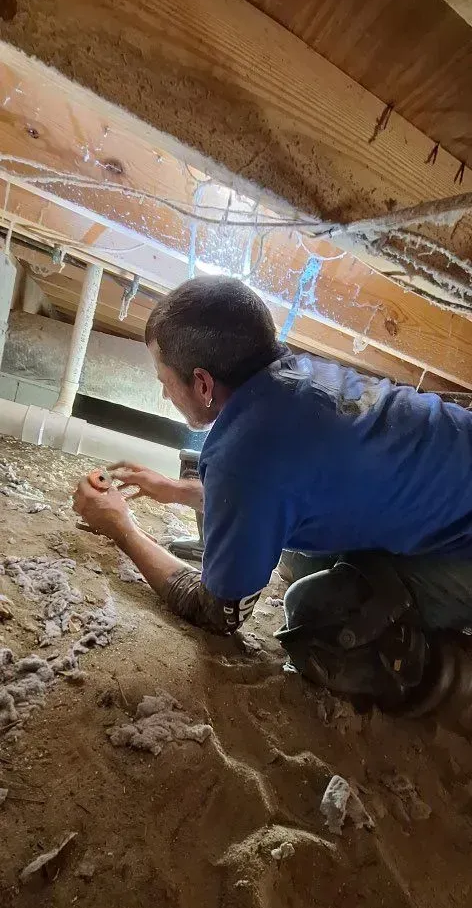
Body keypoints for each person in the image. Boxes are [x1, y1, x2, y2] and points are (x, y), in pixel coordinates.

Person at [73, 276, 472, 713]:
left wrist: (122, 528)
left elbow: (218, 615)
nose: (163, 391)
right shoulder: (291, 377)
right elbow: (282, 486)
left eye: (164, 380)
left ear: (203, 384)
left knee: (316, 619)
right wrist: (181, 491)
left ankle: (453, 676)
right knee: (299, 557)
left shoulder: (244, 451)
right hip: (451, 494)